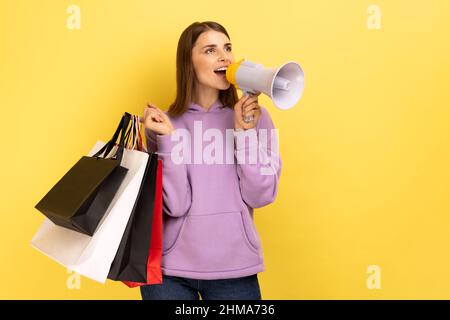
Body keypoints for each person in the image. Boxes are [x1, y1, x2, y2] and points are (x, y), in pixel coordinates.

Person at [139, 21, 282, 300]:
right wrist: (167, 139)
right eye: (210, 50)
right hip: (170, 274)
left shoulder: (257, 119)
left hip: (235, 270)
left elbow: (262, 193)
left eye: (227, 48)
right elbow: (176, 204)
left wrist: (244, 133)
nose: (225, 57)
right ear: (188, 62)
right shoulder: (165, 125)